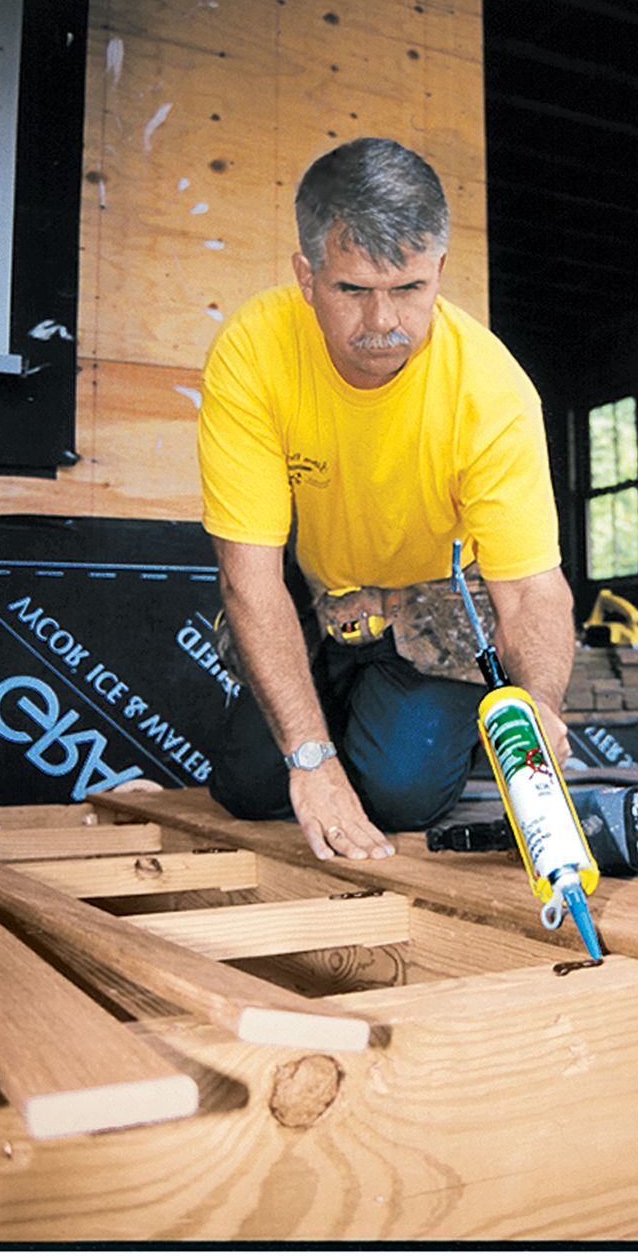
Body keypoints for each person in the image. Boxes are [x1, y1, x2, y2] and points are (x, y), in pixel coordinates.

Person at [198, 137, 575, 863]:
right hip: (310, 601)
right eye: (352, 290)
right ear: (306, 277)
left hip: (433, 616)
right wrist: (311, 761)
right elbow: (249, 577)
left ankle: (422, 729)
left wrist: (541, 710)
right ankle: (332, 726)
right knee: (251, 787)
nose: (382, 325)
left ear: (439, 270)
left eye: (408, 289)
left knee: (400, 796)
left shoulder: (492, 393)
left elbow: (530, 591)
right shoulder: (252, 352)